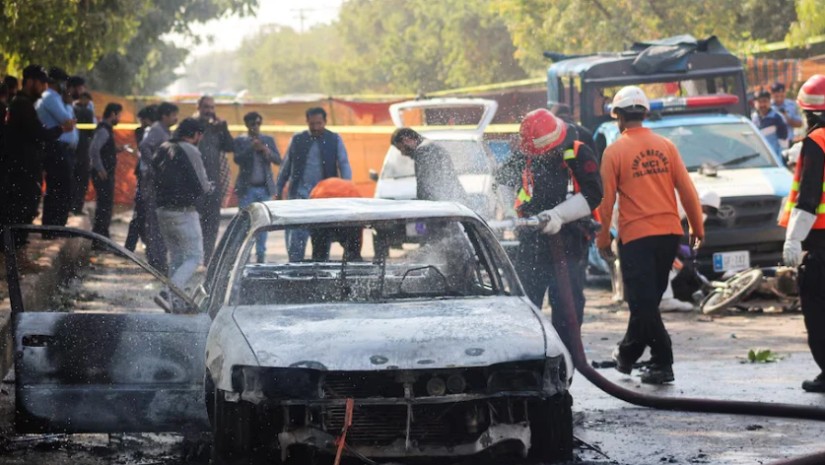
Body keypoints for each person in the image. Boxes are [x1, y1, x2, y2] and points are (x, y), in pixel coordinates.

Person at [597, 86, 704, 385]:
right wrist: (697, 227)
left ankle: (663, 361)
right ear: (644, 113)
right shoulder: (665, 146)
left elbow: (606, 203)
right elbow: (687, 190)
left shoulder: (615, 151)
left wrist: (602, 238)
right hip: (669, 235)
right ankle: (628, 355)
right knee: (646, 305)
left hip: (637, 238)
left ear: (618, 116)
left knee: (643, 304)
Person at [495, 108, 603, 354]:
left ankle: (566, 356)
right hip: (531, 242)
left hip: (569, 241)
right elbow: (500, 180)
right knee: (526, 303)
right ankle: (527, 356)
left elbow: (594, 193)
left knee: (568, 306)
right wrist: (511, 215)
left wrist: (559, 215)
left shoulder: (576, 152)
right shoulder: (525, 153)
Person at [780, 74, 825, 393]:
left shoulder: (817, 141)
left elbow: (808, 195)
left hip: (821, 244)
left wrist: (793, 238)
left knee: (817, 309)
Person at [2, 65, 71, 260]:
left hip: (27, 167)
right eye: (41, 84)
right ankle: (15, 260)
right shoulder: (21, 104)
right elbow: (38, 133)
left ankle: (18, 257)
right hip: (20, 169)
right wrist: (60, 130)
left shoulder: (25, 104)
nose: (43, 89)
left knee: (28, 209)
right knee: (20, 212)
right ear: (31, 81)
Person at [275, 107, 352, 261]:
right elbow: (286, 167)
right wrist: (278, 191)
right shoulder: (297, 139)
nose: (316, 127)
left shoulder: (334, 139)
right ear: (307, 122)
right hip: (299, 196)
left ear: (325, 121)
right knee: (296, 239)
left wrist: (346, 191)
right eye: (312, 124)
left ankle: (319, 272)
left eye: (319, 123)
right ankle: (295, 273)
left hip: (324, 198)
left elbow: (344, 165)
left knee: (322, 238)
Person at [152, 118, 212, 307]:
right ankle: (168, 292)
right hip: (183, 212)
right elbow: (202, 185)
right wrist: (209, 188)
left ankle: (174, 300)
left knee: (177, 256)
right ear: (196, 134)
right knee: (195, 257)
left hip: (163, 210)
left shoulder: (164, 146)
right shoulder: (190, 149)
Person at [233, 111, 281, 263]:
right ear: (247, 124)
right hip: (247, 189)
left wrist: (265, 150)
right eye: (253, 124)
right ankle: (244, 259)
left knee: (263, 225)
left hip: (264, 188)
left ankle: (261, 257)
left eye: (258, 123)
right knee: (245, 225)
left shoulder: (267, 139)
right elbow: (237, 159)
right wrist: (250, 148)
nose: (256, 127)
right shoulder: (240, 140)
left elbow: (278, 160)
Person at [137, 101, 179, 273]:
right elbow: (144, 146)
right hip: (154, 183)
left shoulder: (164, 130)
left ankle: (159, 259)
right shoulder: (157, 129)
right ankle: (156, 261)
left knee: (159, 221)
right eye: (173, 115)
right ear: (165, 116)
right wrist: (154, 166)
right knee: (155, 221)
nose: (176, 118)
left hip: (160, 182)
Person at [36, 67, 77, 229]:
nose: (65, 86)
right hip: (54, 147)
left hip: (60, 148)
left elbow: (70, 123)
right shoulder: (50, 97)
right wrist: (67, 108)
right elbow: (67, 121)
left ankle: (57, 226)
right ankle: (52, 227)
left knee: (62, 187)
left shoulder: (57, 98)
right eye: (63, 83)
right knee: (58, 187)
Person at [194, 95, 233, 265]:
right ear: (199, 107)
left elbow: (230, 147)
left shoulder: (218, 128)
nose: (209, 111)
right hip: (194, 186)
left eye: (212, 107)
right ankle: (195, 259)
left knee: (212, 224)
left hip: (214, 184)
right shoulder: (192, 125)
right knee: (195, 224)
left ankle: (206, 261)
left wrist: (223, 129)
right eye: (206, 107)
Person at [390, 127, 467, 202]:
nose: (403, 153)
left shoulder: (423, 151)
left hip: (445, 204)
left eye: (401, 148)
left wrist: (421, 205)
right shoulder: (431, 146)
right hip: (454, 200)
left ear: (406, 140)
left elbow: (425, 187)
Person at [125, 104, 158, 252]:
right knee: (140, 211)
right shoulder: (143, 132)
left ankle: (143, 243)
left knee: (144, 212)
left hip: (148, 177)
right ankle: (130, 246)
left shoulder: (153, 131)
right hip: (145, 177)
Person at [88, 103, 123, 238]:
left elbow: (103, 150)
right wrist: (100, 169)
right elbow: (94, 149)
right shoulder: (103, 129)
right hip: (103, 175)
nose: (119, 118)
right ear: (113, 114)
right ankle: (100, 237)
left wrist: (116, 150)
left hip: (105, 173)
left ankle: (102, 236)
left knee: (105, 205)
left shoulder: (106, 129)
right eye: (119, 115)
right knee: (104, 206)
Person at [308, 178, 363, 262]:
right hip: (349, 214)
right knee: (353, 253)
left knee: (319, 254)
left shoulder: (320, 187)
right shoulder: (351, 188)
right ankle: (352, 267)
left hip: (322, 211)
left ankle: (319, 268)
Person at [70, 91, 96, 215]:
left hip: (71, 148)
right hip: (83, 147)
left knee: (72, 178)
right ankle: (77, 207)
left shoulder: (71, 109)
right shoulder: (87, 112)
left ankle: (71, 206)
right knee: (82, 179)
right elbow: (91, 131)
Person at [752, 90, 788, 157]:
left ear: (770, 102)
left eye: (765, 101)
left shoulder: (777, 118)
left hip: (774, 158)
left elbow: (783, 143)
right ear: (755, 103)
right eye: (760, 102)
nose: (762, 104)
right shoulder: (754, 117)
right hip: (759, 157)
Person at [772, 82, 803, 146]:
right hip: (772, 143)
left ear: (785, 94)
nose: (779, 98)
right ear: (772, 95)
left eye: (782, 96)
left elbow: (799, 124)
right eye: (777, 96)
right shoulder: (768, 106)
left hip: (788, 141)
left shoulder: (791, 105)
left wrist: (787, 118)